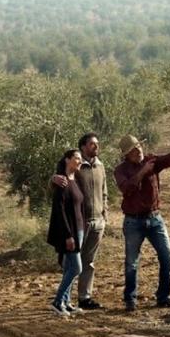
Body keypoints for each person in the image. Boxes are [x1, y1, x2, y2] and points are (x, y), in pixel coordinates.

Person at [113, 134, 170, 312]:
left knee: (167, 257)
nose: (138, 151)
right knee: (131, 262)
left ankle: (164, 297)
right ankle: (130, 299)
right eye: (133, 150)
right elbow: (126, 188)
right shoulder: (120, 170)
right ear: (126, 155)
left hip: (155, 218)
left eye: (139, 147)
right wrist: (143, 172)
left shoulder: (152, 161)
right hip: (133, 221)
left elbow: (167, 159)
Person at [50, 133, 107, 310]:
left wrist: (105, 211)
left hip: (97, 221)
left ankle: (84, 297)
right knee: (74, 264)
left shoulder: (100, 166)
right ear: (83, 147)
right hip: (78, 222)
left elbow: (104, 190)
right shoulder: (76, 166)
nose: (96, 147)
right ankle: (64, 300)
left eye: (97, 144)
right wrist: (52, 179)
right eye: (92, 144)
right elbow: (59, 183)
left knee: (88, 262)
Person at [47, 149, 86, 317]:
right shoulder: (61, 182)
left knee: (69, 267)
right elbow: (59, 211)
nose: (79, 161)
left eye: (80, 159)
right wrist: (68, 235)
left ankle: (66, 302)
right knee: (76, 268)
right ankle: (57, 301)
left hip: (79, 230)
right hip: (69, 232)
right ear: (67, 160)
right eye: (77, 158)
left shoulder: (74, 179)